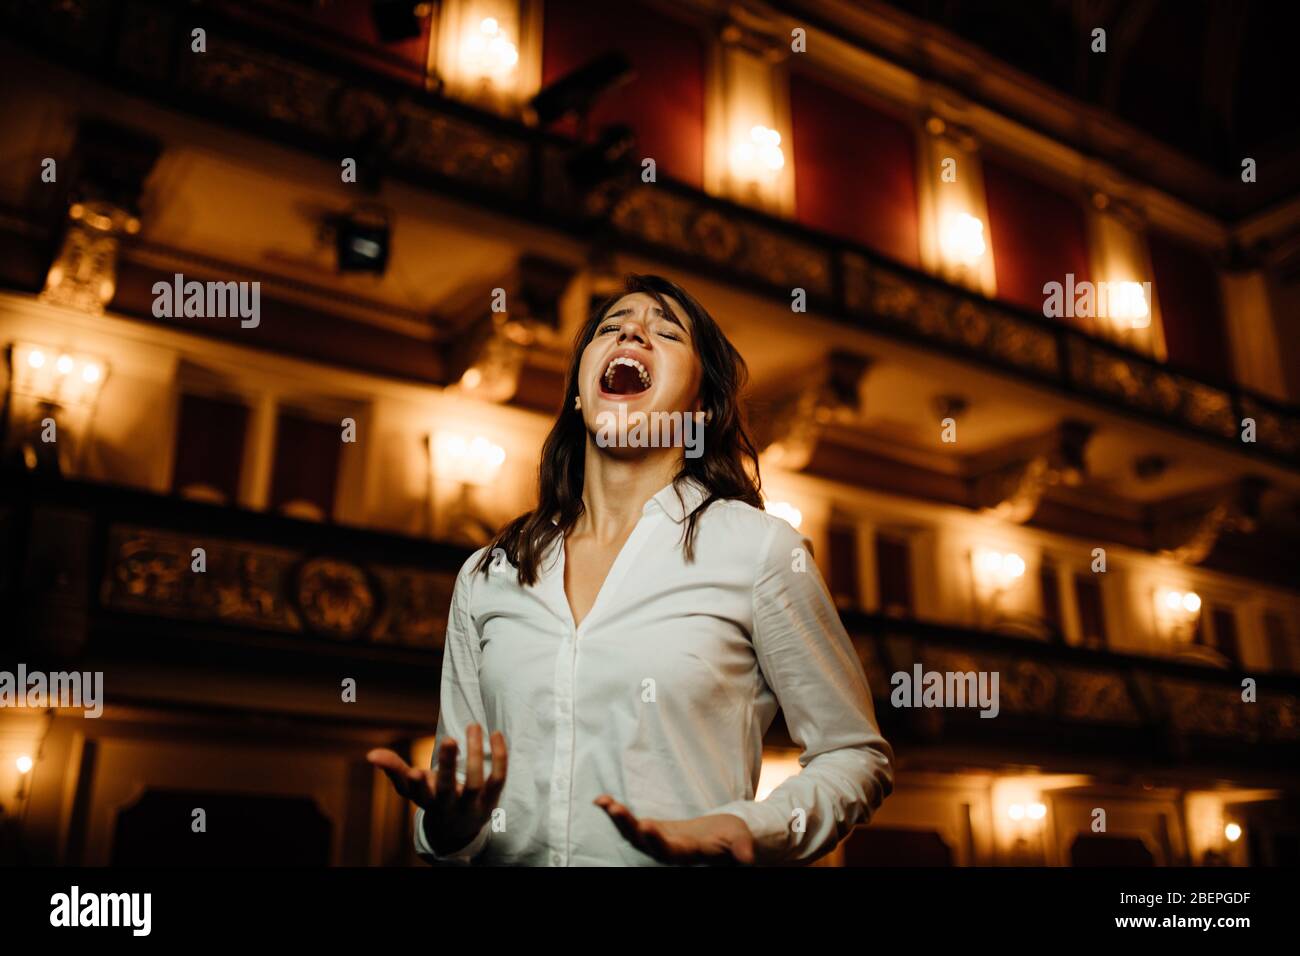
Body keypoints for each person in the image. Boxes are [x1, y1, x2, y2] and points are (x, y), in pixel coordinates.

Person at [368, 273, 893, 865]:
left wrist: (745, 827)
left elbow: (855, 755)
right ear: (577, 392)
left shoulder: (761, 552)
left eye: (666, 332)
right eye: (611, 328)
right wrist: (447, 826)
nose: (633, 333)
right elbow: (455, 790)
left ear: (700, 406)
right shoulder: (487, 573)